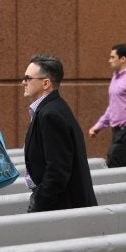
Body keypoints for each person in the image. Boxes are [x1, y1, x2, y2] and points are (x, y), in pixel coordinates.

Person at [22, 54, 97, 212]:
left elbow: (57, 171)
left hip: (63, 208)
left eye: (27, 78)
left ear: (46, 83)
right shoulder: (53, 108)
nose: (23, 82)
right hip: (63, 205)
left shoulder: (50, 115)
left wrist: (38, 203)